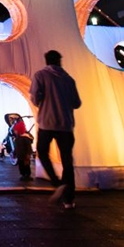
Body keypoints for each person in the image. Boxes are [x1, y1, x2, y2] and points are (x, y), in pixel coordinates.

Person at [29, 50, 82, 209]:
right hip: (66, 125)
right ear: (60, 61)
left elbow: (34, 97)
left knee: (42, 152)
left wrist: (45, 103)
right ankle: (69, 200)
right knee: (67, 160)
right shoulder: (68, 79)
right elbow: (77, 103)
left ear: (46, 61)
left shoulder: (40, 76)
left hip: (47, 123)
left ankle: (56, 182)